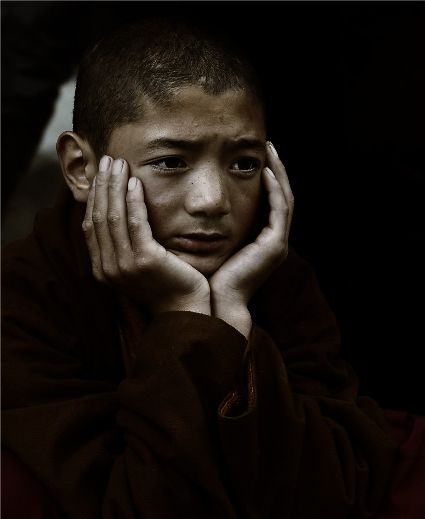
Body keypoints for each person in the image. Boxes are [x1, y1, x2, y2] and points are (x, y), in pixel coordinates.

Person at [2, 17, 398, 519]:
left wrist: (231, 313)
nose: (212, 201)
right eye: (171, 162)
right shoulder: (23, 296)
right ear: (82, 168)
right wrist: (185, 317)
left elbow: (332, 495)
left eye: (244, 163)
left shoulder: (271, 273)